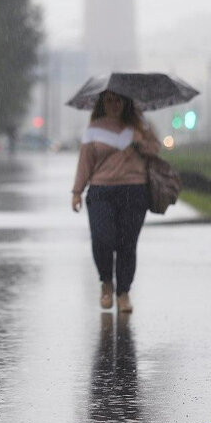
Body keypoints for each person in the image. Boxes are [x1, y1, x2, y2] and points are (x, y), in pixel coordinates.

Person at [71, 91, 159, 313]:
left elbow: (156, 150)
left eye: (119, 100)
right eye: (109, 100)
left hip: (134, 190)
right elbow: (84, 162)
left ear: (126, 102)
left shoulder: (140, 127)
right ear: (102, 103)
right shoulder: (94, 130)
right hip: (101, 191)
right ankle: (106, 283)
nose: (114, 105)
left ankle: (124, 293)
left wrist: (141, 138)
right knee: (102, 240)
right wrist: (77, 191)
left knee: (127, 245)